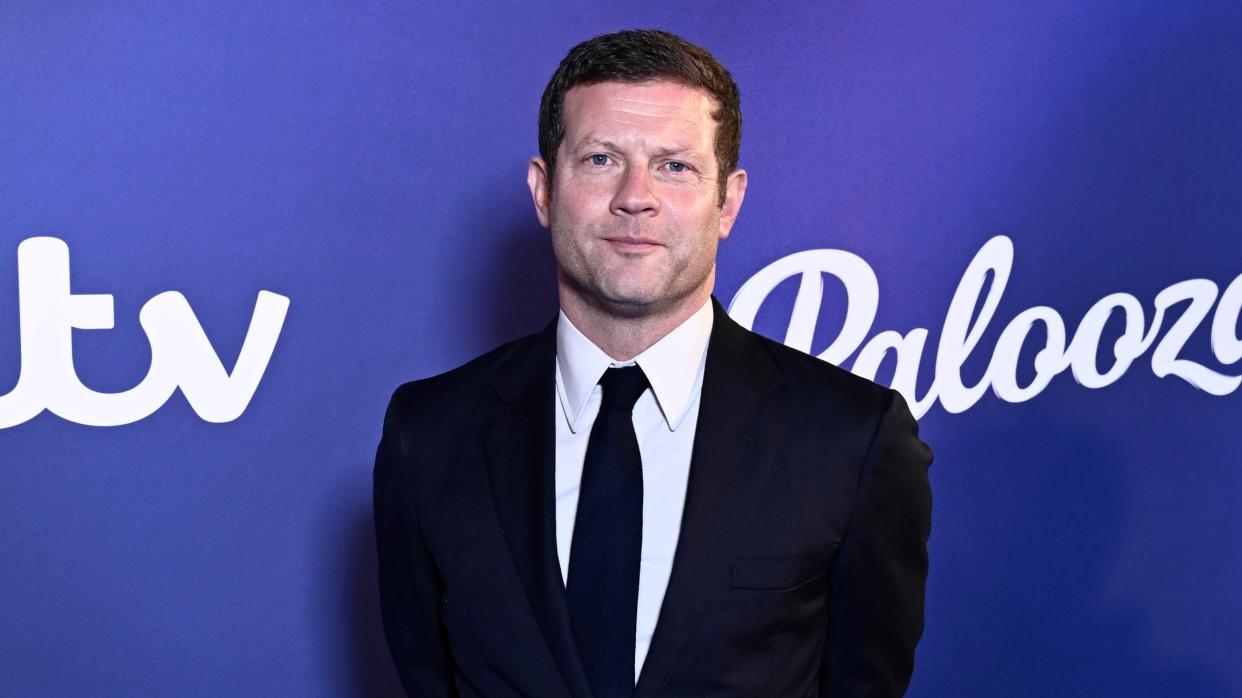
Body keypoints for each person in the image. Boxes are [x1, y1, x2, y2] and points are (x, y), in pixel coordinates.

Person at [373, 29, 932, 698]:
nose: (635, 196)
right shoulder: (430, 434)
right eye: (602, 159)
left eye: (675, 165)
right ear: (544, 190)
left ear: (728, 200)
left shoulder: (851, 439)